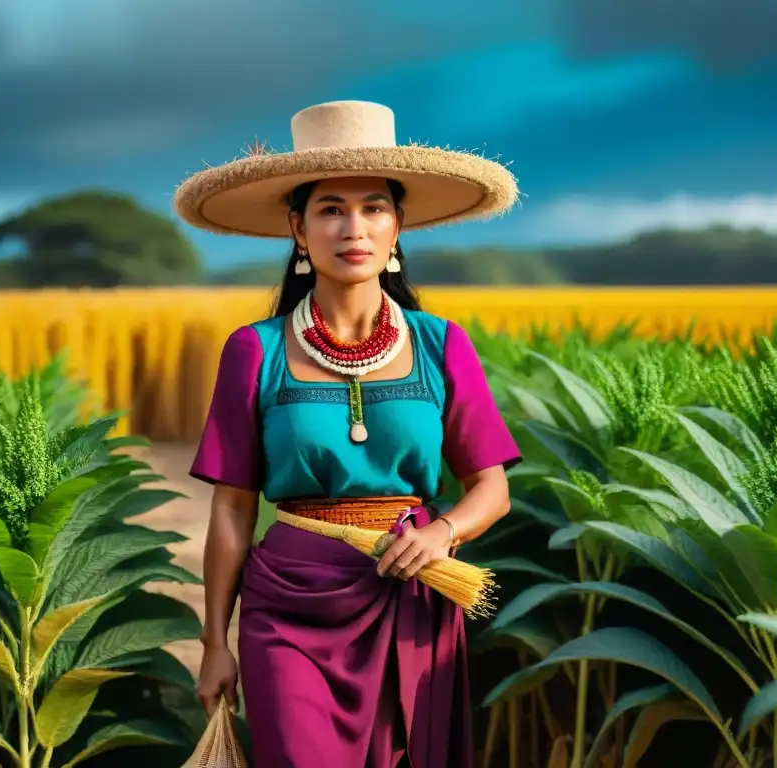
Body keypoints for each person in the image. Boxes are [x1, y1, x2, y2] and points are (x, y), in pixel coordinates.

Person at [173, 100, 522, 768]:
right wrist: (215, 640)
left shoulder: (442, 344)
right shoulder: (255, 350)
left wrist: (442, 532)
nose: (352, 227)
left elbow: (491, 488)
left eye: (373, 207)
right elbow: (233, 507)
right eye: (331, 208)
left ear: (399, 226)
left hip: (414, 593)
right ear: (298, 230)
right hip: (290, 604)